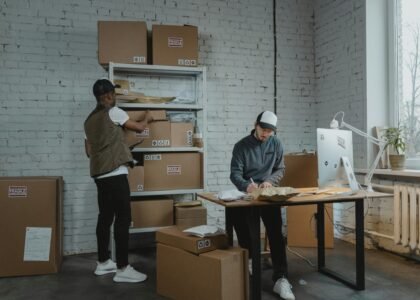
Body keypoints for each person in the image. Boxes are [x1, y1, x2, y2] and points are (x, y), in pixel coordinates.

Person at [84, 79, 153, 283]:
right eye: (112, 94)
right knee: (123, 218)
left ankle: (103, 263)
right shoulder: (114, 112)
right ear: (108, 95)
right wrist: (148, 118)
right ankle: (123, 268)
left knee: (105, 217)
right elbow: (139, 128)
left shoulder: (88, 121)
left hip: (99, 175)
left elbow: (89, 151)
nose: (113, 98)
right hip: (115, 173)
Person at [230, 111, 295, 300]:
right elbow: (235, 173)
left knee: (276, 233)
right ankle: (250, 259)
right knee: (245, 228)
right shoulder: (241, 146)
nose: (265, 134)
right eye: (263, 129)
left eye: (269, 131)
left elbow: (280, 168)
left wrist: (269, 181)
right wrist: (246, 186)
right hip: (249, 193)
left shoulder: (276, 143)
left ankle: (281, 278)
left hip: (268, 193)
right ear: (255, 124)